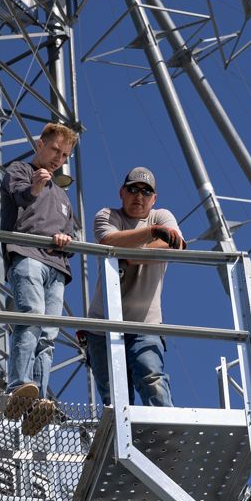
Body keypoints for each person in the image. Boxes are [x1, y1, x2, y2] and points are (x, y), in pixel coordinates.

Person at [84, 167, 186, 407]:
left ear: (154, 198)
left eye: (146, 191)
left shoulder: (162, 216)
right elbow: (108, 241)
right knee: (114, 398)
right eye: (133, 189)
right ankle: (121, 433)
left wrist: (130, 253)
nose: (139, 196)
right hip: (102, 327)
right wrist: (152, 234)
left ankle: (166, 430)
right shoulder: (108, 215)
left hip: (145, 324)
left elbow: (177, 244)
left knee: (153, 381)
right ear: (122, 192)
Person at [0, 122, 78, 432]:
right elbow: (19, 196)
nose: (59, 158)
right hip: (27, 254)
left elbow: (71, 232)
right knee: (30, 316)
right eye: (55, 150)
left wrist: (66, 239)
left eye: (65, 155)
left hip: (57, 267)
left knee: (48, 336)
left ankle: (38, 401)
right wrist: (34, 187)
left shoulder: (62, 195)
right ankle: (18, 387)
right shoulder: (19, 170)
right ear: (40, 144)